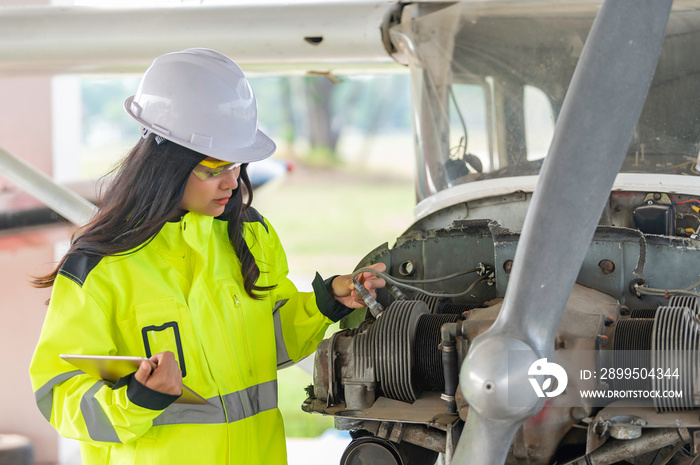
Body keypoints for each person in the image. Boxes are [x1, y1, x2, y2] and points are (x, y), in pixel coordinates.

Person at [29, 48, 386, 465]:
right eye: (213, 169)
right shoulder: (100, 268)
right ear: (166, 164)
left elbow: (264, 345)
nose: (232, 183)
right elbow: (58, 393)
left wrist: (325, 304)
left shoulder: (249, 235)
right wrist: (136, 400)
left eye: (236, 164)